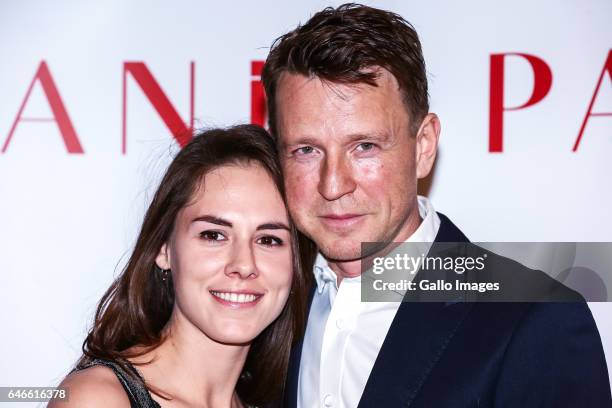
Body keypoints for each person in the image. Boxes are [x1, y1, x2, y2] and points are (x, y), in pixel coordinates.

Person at [261, 3, 612, 407]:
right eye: (306, 150)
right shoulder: (263, 308)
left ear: (423, 146)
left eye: (365, 146)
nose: (334, 184)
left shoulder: (536, 321)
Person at [50, 125, 315, 408]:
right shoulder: (98, 399)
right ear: (163, 248)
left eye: (268, 240)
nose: (243, 264)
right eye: (213, 235)